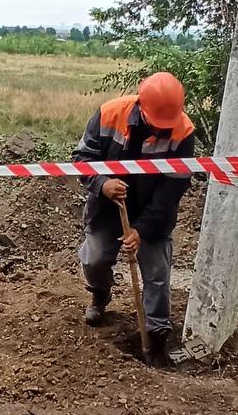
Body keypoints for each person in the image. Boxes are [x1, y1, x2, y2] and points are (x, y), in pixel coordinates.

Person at [72, 71, 197, 364]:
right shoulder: (109, 114)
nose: (162, 128)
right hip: (107, 208)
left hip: (153, 216)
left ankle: (156, 338)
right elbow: (81, 160)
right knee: (95, 259)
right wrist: (103, 184)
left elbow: (172, 189)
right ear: (141, 105)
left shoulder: (183, 132)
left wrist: (140, 230)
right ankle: (100, 295)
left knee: (156, 275)